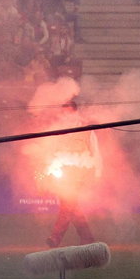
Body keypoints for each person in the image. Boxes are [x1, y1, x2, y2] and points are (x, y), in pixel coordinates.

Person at [44, 100, 99, 247]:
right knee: (72, 206)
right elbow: (52, 151)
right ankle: (87, 237)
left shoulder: (87, 129)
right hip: (63, 174)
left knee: (68, 205)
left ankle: (55, 238)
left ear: (75, 112)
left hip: (80, 173)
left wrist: (97, 173)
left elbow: (95, 152)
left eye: (67, 112)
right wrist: (50, 169)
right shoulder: (59, 129)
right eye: (63, 112)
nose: (64, 115)